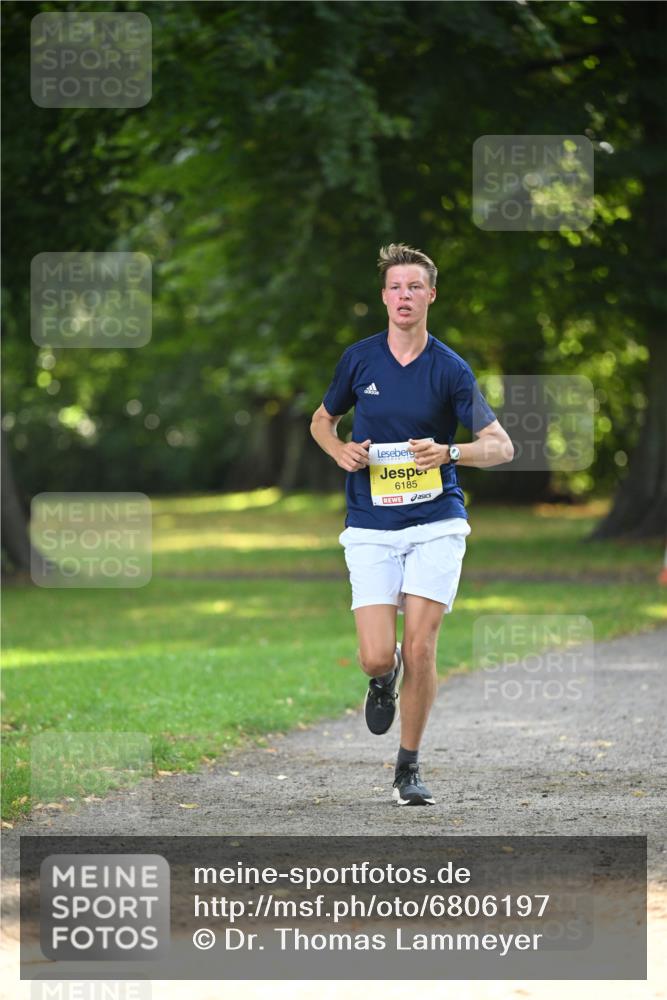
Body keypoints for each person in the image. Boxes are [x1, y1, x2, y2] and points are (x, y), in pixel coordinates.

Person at [310, 243, 513, 805]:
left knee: (421, 647)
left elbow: (500, 447)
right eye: (396, 287)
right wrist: (340, 451)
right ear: (384, 297)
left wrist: (450, 453)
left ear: (430, 295)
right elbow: (322, 421)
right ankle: (382, 678)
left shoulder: (450, 368)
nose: (405, 295)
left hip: (436, 522)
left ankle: (408, 768)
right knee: (379, 654)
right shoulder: (360, 359)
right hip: (371, 523)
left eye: (415, 287)